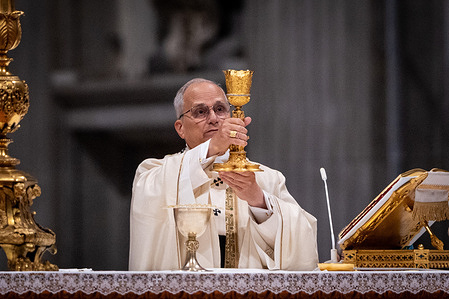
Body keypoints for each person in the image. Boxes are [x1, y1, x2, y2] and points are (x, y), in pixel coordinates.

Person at [129, 78, 318, 271]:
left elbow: (302, 238)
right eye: (200, 112)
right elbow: (148, 203)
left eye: (220, 109)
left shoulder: (265, 178)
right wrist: (212, 147)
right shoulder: (153, 173)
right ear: (180, 128)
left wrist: (258, 201)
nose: (213, 118)